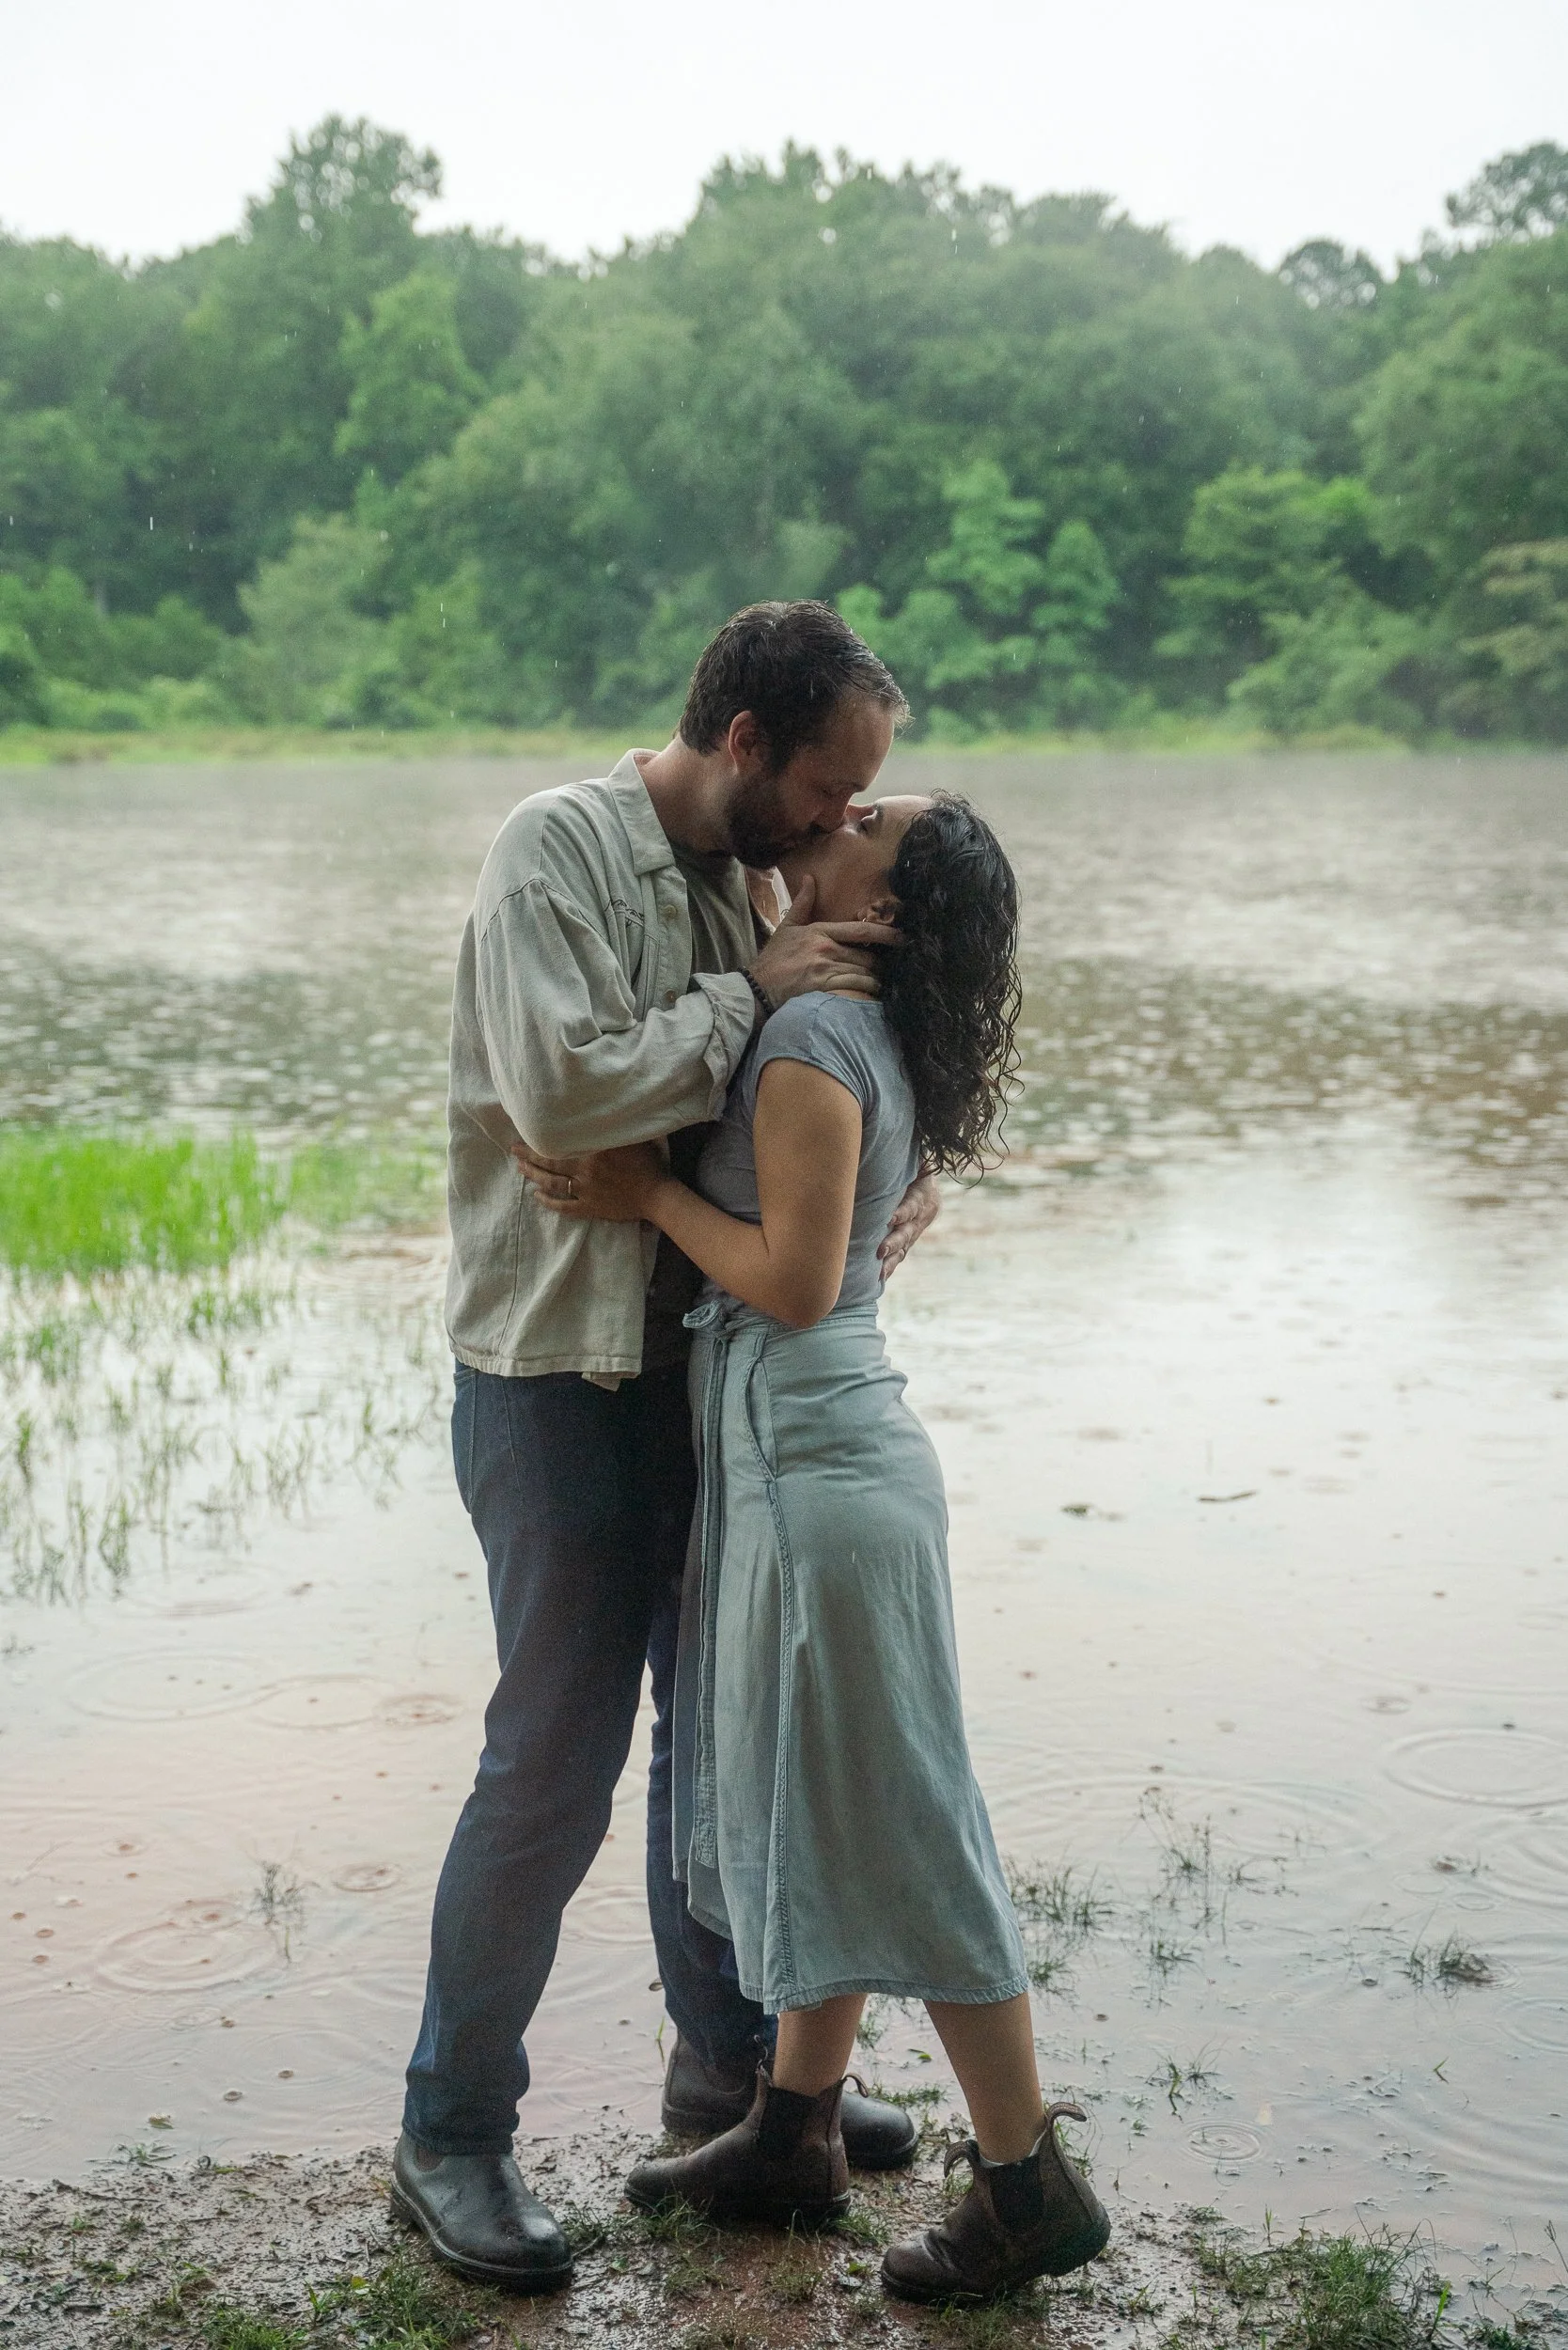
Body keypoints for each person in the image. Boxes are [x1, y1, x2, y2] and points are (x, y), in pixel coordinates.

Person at [392, 603, 936, 2293]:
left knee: (718, 1741)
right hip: (558, 1376)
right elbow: (562, 1103)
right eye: (837, 791)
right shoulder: (555, 848)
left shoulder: (748, 880)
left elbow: (768, 1115)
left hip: (699, 1367)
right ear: (749, 746)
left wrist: (881, 1202)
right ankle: (452, 2133)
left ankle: (737, 2094)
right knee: (552, 1760)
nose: (847, 826)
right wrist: (747, 993)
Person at [524, 791, 1112, 2306]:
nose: (835, 811)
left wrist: (642, 1187)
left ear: (889, 906)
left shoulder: (804, 1043)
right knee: (832, 1784)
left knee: (904, 1813)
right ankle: (790, 2131)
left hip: (816, 1464)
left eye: (870, 818)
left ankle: (1026, 2182)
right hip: (829, 1460)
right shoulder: (846, 1019)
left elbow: (790, 1281)